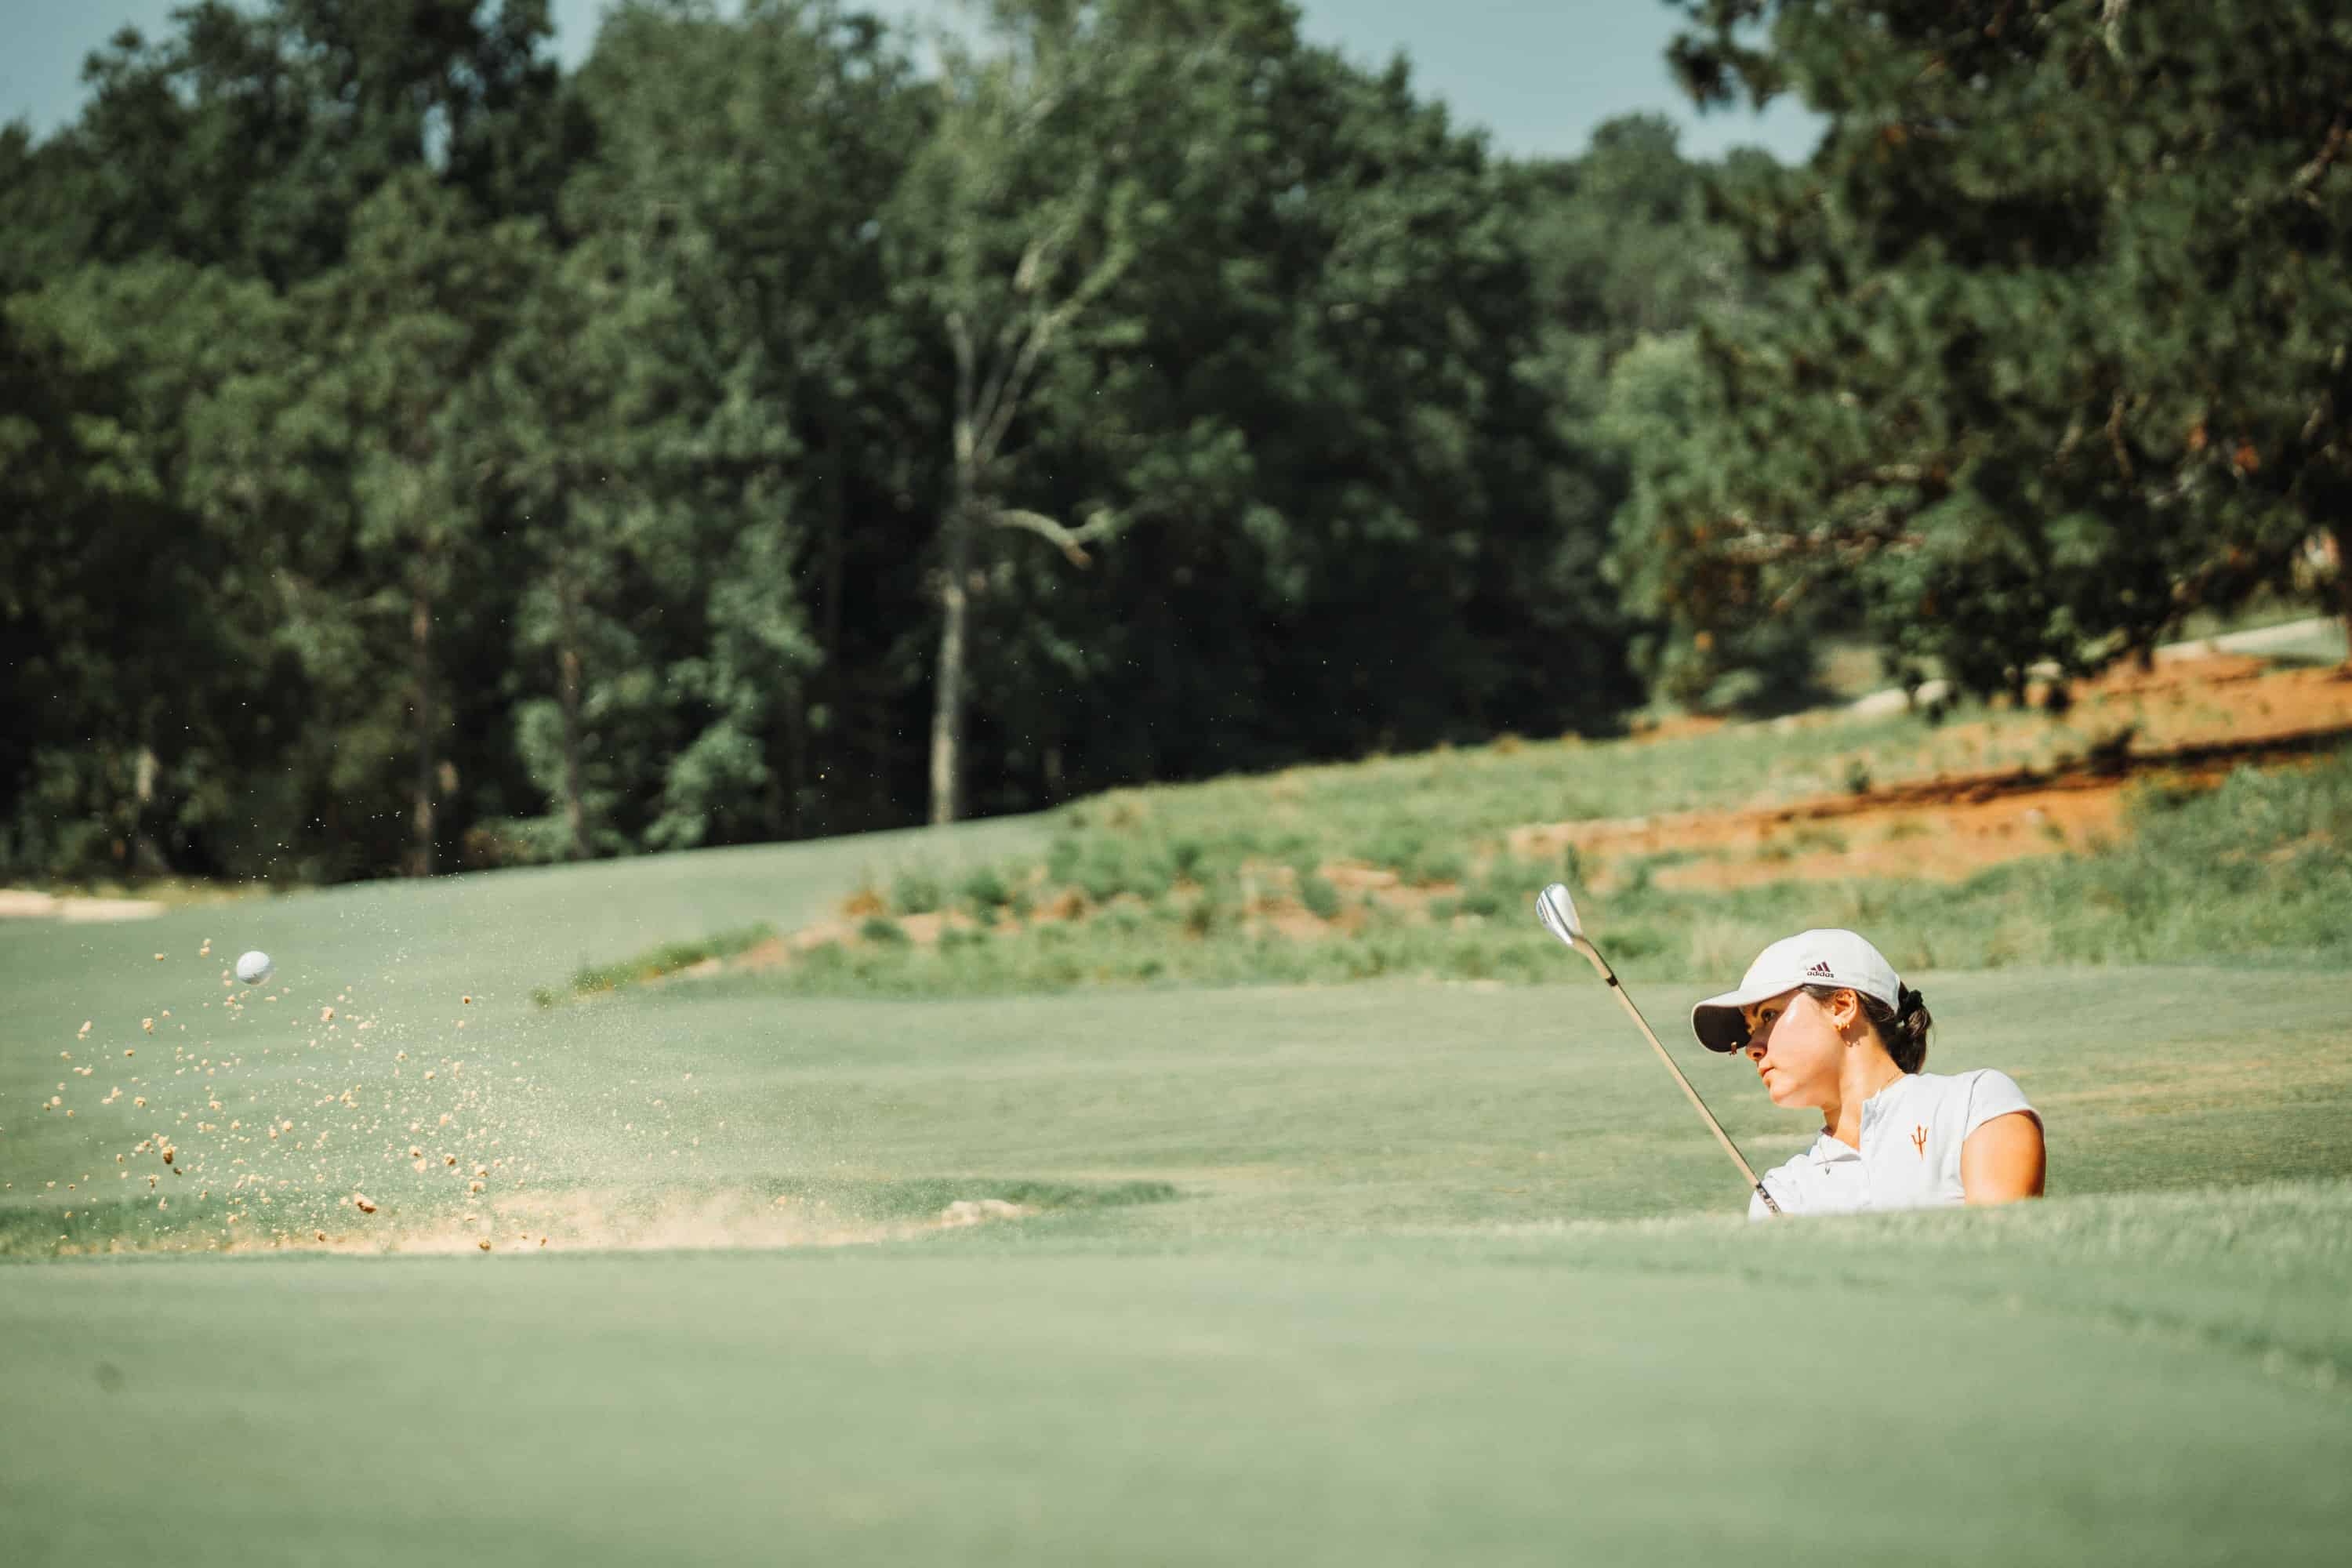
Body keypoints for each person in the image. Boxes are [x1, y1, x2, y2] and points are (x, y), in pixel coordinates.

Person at [1689, 928, 2044, 1219]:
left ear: (1842, 1007)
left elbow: (2000, 1261)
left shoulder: (1974, 1104)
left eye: (1768, 1016)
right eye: (1750, 1031)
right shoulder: (1784, 1193)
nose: (1753, 1047)